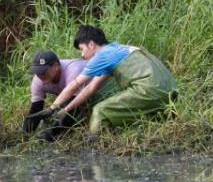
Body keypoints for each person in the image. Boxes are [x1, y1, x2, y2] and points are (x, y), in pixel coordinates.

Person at [35, 26, 176, 139]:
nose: (82, 55)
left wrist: (52, 108)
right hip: (171, 91)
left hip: (149, 88)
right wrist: (65, 110)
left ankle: (94, 147)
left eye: (82, 49)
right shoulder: (118, 50)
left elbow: (74, 86)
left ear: (91, 44)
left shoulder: (102, 55)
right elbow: (90, 89)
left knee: (100, 111)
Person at [21, 50, 91, 137]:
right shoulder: (38, 80)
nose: (40, 75)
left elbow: (74, 108)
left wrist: (52, 132)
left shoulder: (73, 70)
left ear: (56, 66)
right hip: (76, 97)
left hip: (98, 91)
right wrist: (25, 134)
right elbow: (36, 108)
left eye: (43, 71)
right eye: (38, 72)